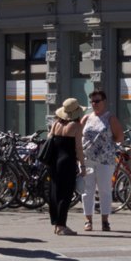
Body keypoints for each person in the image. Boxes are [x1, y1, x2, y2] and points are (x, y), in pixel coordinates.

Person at [80, 88, 123, 233]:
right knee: (87, 191)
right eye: (92, 101)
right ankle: (88, 220)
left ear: (104, 102)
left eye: (97, 101)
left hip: (105, 161)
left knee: (105, 191)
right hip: (87, 159)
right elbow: (78, 135)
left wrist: (107, 145)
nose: (94, 103)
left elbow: (119, 137)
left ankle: (105, 221)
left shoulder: (110, 118)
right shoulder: (86, 118)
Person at [43, 97, 83, 234]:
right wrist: (82, 165)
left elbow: (49, 139)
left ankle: (56, 223)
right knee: (66, 194)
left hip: (54, 161)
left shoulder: (55, 124)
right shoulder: (76, 126)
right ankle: (61, 225)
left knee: (54, 192)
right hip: (67, 162)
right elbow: (78, 148)